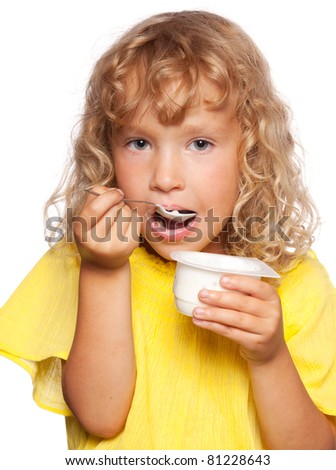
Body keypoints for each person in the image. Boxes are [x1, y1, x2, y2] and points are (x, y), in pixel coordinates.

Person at [0, 10, 335, 450]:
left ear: (250, 154)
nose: (165, 177)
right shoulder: (83, 259)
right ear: (108, 150)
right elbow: (100, 416)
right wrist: (103, 272)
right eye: (139, 143)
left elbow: (314, 455)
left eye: (200, 143)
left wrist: (270, 356)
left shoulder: (294, 281)